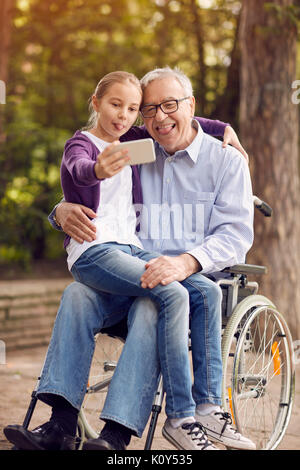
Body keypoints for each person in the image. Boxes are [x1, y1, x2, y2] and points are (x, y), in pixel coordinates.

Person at [4, 67, 254, 451]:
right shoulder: (141, 146)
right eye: (149, 110)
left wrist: (185, 262)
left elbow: (235, 237)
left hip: (180, 283)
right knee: (77, 295)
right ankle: (60, 423)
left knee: (159, 300)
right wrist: (60, 211)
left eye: (169, 106)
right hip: (123, 268)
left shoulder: (225, 161)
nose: (158, 117)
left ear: (191, 105)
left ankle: (117, 435)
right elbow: (86, 166)